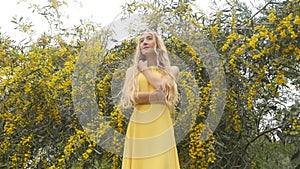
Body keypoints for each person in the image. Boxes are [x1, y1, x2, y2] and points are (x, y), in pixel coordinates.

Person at [119, 31, 181, 169]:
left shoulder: (171, 70)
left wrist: (145, 70)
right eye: (141, 41)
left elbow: (162, 88)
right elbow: (131, 97)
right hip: (140, 124)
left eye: (149, 39)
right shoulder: (132, 72)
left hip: (161, 124)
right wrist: (153, 96)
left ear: (157, 44)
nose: (144, 42)